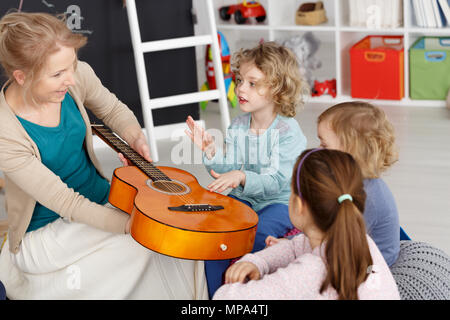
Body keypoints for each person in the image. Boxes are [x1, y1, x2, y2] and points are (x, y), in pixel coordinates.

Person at [0, 11, 207, 299]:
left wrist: (134, 135)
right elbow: (66, 201)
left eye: (72, 65)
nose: (70, 79)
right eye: (58, 74)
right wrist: (129, 225)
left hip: (104, 199)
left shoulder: (73, 76)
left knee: (177, 232)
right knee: (149, 243)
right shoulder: (5, 130)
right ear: (22, 77)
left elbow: (111, 109)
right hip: (47, 231)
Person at [185, 41, 308, 298]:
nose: (240, 88)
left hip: (279, 203)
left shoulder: (288, 131)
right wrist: (211, 151)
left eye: (252, 83)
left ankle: (253, 292)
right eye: (240, 80)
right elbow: (227, 169)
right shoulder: (239, 125)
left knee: (257, 235)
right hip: (244, 200)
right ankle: (218, 295)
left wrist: (241, 177)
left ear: (277, 89)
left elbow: (276, 180)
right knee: (215, 233)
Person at [213, 148, 400, 300]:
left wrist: (237, 282)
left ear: (299, 205)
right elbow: (295, 246)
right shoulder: (360, 240)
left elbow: (224, 299)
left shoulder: (309, 272)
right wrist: (258, 261)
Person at [316, 102, 400, 266]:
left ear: (352, 152)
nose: (318, 150)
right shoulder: (346, 179)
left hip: (372, 267)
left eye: (325, 145)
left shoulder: (368, 198)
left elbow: (339, 246)